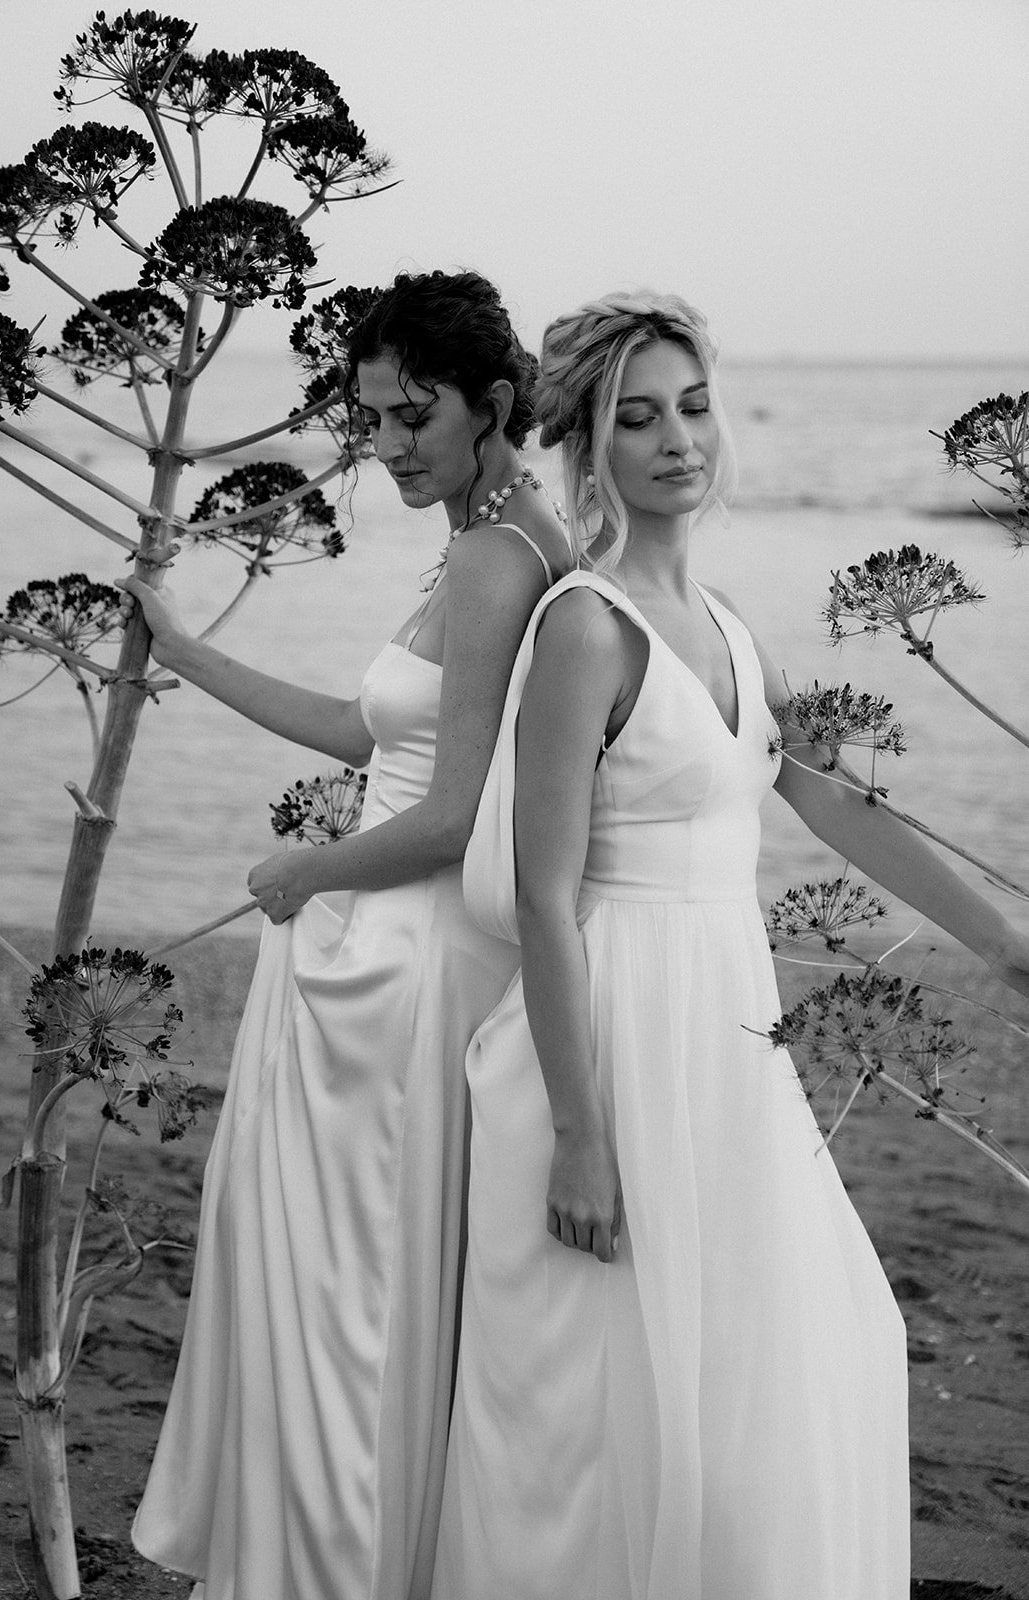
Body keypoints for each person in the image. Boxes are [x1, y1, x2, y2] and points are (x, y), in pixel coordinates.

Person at [431, 291, 1029, 1600]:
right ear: (587, 447)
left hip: (728, 1042)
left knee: (815, 1350)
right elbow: (542, 896)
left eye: (694, 407)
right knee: (601, 1414)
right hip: (609, 1049)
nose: (677, 440)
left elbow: (838, 806)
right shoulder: (584, 627)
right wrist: (584, 1139)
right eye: (636, 418)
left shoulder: (735, 630)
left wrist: (1005, 946)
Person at [118, 270, 574, 1600]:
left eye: (411, 417)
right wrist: (186, 650)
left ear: (492, 402)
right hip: (389, 954)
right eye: (371, 418)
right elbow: (379, 736)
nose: (387, 447)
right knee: (341, 1294)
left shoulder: (500, 561)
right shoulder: (500, 540)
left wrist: (301, 871)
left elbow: (446, 817)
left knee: (347, 1307)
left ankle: (324, 1573)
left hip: (396, 968)